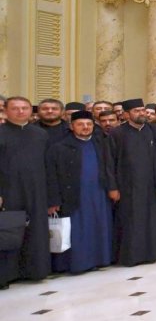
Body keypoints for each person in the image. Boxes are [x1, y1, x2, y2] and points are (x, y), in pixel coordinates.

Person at [45, 111, 115, 274]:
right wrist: (53, 200)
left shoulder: (101, 144)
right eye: (80, 124)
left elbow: (110, 168)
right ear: (72, 126)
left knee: (99, 226)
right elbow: (51, 176)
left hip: (99, 193)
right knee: (79, 230)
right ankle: (80, 263)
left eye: (89, 124)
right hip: (74, 195)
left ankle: (101, 259)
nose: (85, 127)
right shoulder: (59, 147)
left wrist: (113, 188)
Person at [0, 97, 52, 286]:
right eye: (15, 108)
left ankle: (35, 271)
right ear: (6, 111)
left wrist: (52, 196)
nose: (20, 111)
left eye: (24, 108)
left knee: (36, 231)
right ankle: (7, 274)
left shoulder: (40, 134)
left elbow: (49, 166)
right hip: (8, 190)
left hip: (37, 191)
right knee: (8, 230)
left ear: (31, 110)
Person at [110, 98, 156, 266]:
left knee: (149, 221)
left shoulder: (154, 130)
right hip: (127, 186)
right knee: (130, 222)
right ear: (126, 114)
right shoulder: (117, 133)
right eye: (136, 111)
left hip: (150, 186)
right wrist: (113, 187)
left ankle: (149, 254)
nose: (141, 113)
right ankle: (131, 257)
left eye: (142, 110)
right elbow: (109, 162)